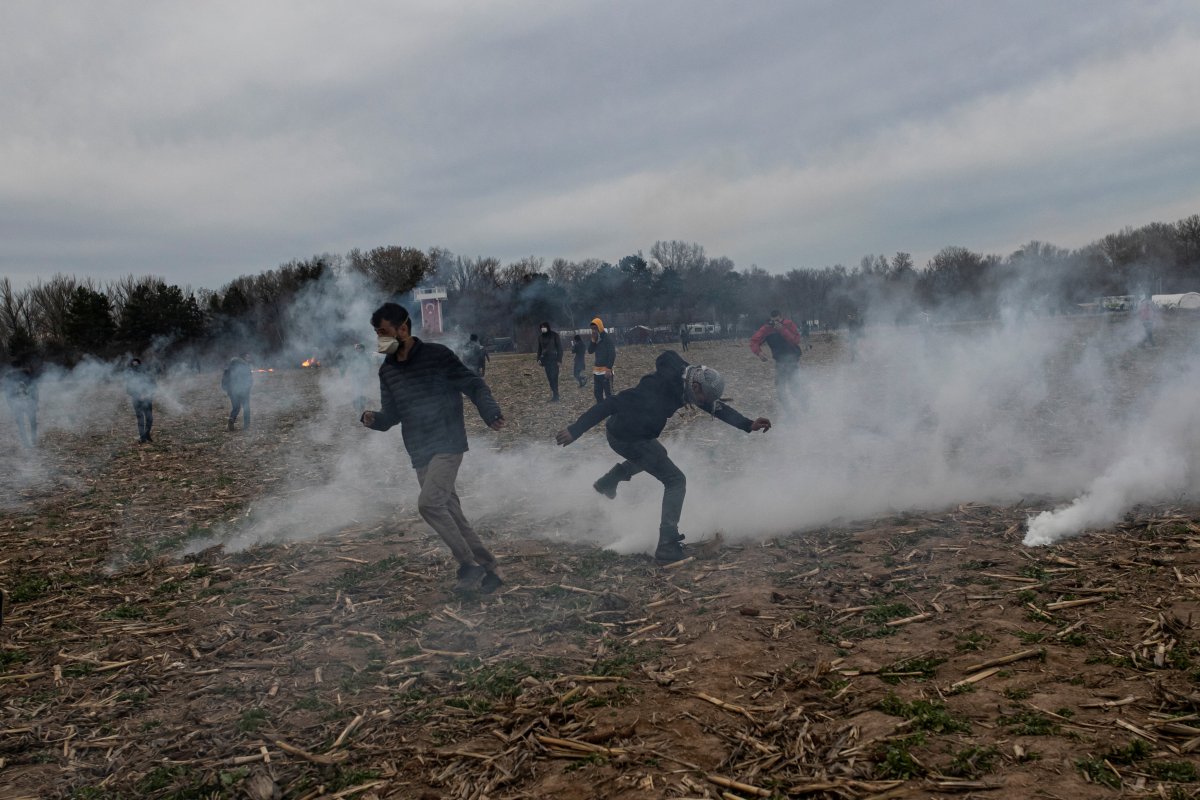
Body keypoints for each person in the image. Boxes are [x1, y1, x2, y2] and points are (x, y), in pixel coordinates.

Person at [556, 351, 771, 562]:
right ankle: (667, 544)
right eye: (703, 398)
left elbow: (714, 406)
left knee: (658, 454)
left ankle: (609, 481)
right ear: (695, 387)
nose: (703, 403)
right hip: (626, 437)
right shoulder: (655, 388)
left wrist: (747, 424)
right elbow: (610, 404)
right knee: (676, 480)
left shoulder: (687, 379)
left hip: (638, 436)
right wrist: (576, 429)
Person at [361, 302, 506, 594]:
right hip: (419, 449)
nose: (380, 340)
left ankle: (468, 565)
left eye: (384, 332)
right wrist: (374, 420)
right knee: (451, 512)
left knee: (429, 504)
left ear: (403, 328)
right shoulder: (387, 371)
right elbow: (392, 416)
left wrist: (490, 412)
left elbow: (474, 384)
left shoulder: (437, 356)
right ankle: (491, 570)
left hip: (447, 442)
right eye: (377, 334)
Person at [749, 310, 803, 411]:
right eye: (773, 321)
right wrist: (759, 353)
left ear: (781, 317)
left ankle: (804, 406)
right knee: (780, 388)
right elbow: (754, 341)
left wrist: (782, 330)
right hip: (779, 361)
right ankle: (789, 411)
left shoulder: (788, 324)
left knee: (794, 386)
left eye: (777, 320)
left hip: (792, 359)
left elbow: (796, 340)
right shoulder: (767, 328)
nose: (775, 323)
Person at [2, 362, 38, 448]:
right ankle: (29, 441)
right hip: (21, 403)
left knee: (27, 423)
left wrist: (35, 402)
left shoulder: (13, 375)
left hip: (25, 403)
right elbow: (8, 393)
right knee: (27, 423)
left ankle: (30, 441)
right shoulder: (12, 376)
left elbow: (34, 389)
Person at [124, 358, 158, 443]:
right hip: (136, 400)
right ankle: (142, 438)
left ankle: (147, 434)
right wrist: (138, 396)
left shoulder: (147, 373)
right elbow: (128, 390)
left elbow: (154, 386)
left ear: (140, 364)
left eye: (137, 364)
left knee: (149, 418)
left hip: (147, 399)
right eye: (133, 365)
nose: (136, 366)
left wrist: (147, 394)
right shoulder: (130, 376)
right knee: (140, 419)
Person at [221, 353, 253, 431]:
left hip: (232, 391)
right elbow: (249, 380)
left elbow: (224, 381)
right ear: (242, 358)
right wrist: (247, 388)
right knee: (246, 408)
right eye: (247, 357)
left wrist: (227, 389)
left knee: (236, 407)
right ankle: (246, 427)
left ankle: (231, 419)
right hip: (243, 390)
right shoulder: (245, 367)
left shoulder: (229, 368)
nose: (249, 358)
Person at [587, 317, 616, 403]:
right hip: (597, 372)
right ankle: (602, 411)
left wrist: (608, 369)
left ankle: (612, 413)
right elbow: (590, 351)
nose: (594, 331)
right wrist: (593, 341)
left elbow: (612, 354)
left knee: (609, 394)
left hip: (606, 371)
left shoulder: (607, 339)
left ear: (600, 327)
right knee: (597, 394)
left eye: (595, 328)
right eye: (592, 329)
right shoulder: (595, 339)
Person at [535, 322, 563, 401]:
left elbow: (560, 348)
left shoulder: (554, 335)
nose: (543, 328)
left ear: (547, 327)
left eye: (544, 327)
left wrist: (559, 360)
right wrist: (538, 359)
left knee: (554, 378)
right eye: (541, 327)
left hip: (554, 359)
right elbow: (539, 349)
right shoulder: (540, 337)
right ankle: (555, 394)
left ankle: (556, 396)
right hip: (546, 360)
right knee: (550, 379)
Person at [347, 343, 377, 415]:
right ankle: (357, 406)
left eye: (359, 348)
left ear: (363, 349)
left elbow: (369, 366)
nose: (358, 350)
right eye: (357, 348)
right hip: (355, 377)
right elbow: (351, 366)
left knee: (361, 392)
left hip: (363, 377)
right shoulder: (354, 357)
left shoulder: (366, 357)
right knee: (356, 392)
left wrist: (367, 375)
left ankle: (361, 406)